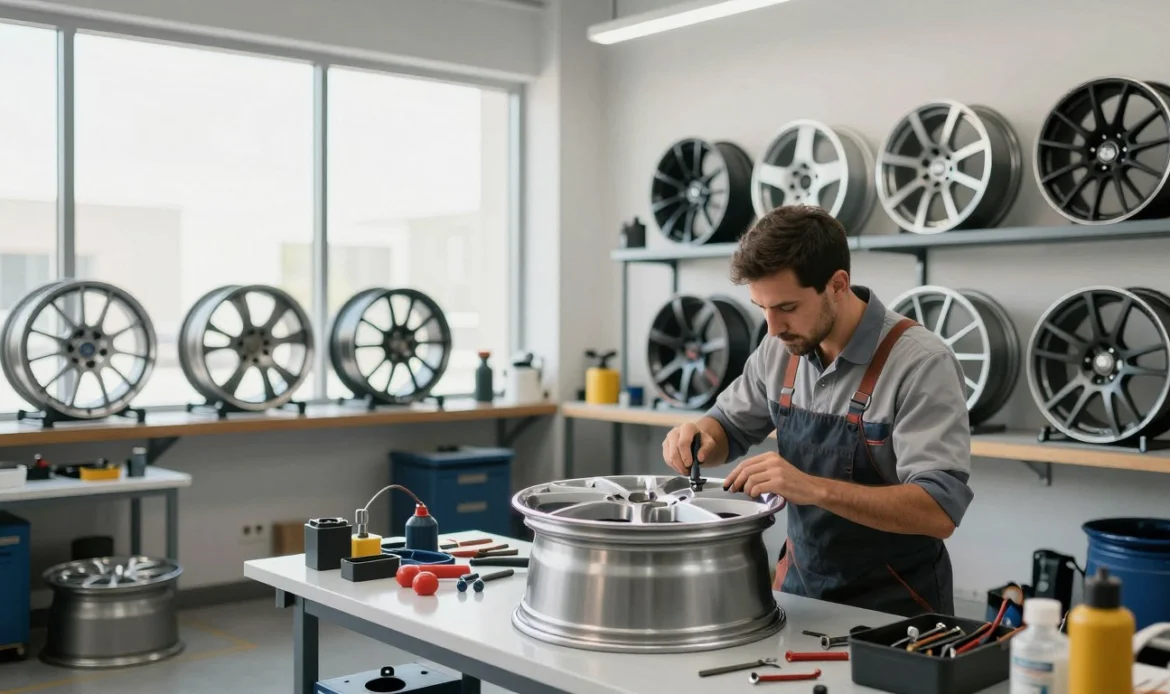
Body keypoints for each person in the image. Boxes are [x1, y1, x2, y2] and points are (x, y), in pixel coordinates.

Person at [662, 204, 973, 617]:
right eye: (762, 308)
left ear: (838, 284)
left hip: (897, 612)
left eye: (787, 308)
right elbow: (726, 428)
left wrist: (813, 488)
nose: (772, 327)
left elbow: (939, 511)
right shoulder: (780, 349)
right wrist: (697, 438)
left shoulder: (920, 363)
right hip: (799, 594)